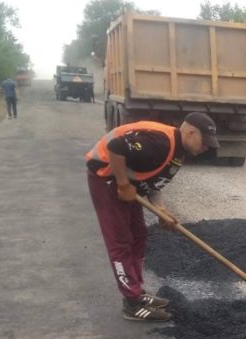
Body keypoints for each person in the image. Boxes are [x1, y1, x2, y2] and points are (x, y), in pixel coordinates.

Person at [86, 113, 219, 322]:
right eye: (205, 142)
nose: (206, 148)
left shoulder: (179, 152)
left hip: (129, 186)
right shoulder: (160, 143)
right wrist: (122, 184)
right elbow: (117, 146)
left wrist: (162, 210)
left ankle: (137, 291)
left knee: (139, 235)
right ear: (191, 132)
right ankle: (131, 304)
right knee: (120, 241)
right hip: (107, 179)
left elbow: (153, 182)